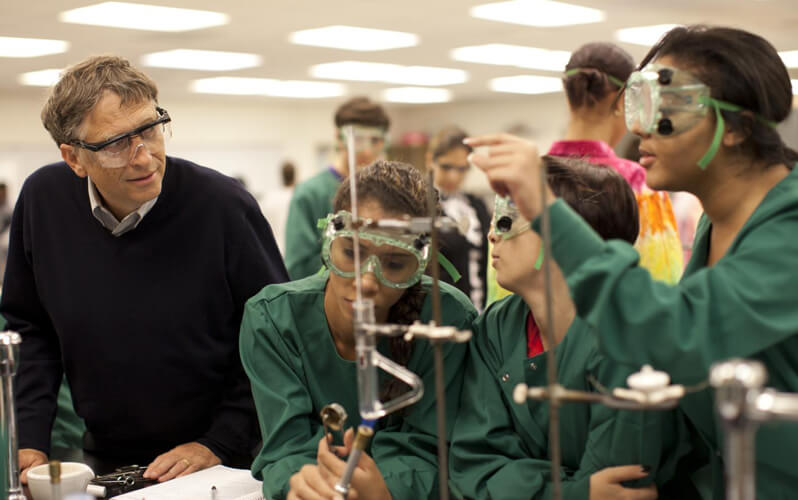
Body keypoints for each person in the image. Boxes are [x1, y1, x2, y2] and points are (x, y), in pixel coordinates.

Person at [467, 25, 798, 498]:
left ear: (738, 127)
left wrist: (543, 205)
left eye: (665, 107)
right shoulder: (717, 225)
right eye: (636, 103)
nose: (638, 126)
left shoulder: (789, 227)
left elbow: (676, 335)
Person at [0, 55, 288, 483]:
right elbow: (31, 327)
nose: (144, 157)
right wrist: (30, 436)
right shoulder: (44, 201)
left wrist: (220, 441)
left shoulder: (224, 208)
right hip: (107, 455)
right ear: (74, 158)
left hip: (220, 461)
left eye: (150, 129)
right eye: (116, 143)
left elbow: (278, 340)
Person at [451, 157, 691, 500]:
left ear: (564, 236)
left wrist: (526, 483)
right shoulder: (495, 327)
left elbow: (619, 486)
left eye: (507, 222)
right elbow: (473, 468)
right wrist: (574, 490)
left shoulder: (624, 337)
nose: (491, 234)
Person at [240, 160, 477, 500]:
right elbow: (285, 448)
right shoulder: (272, 318)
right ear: (329, 243)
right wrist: (302, 482)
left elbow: (433, 450)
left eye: (394, 264)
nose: (366, 282)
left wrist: (386, 489)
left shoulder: (446, 317)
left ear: (420, 265)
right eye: (351, 253)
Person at [550, 42, 683, 284]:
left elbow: (502, 293)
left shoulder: (525, 177)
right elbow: (663, 281)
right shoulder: (639, 183)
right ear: (623, 100)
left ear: (568, 95)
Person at [284, 97, 390, 280]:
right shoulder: (310, 194)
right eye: (358, 140)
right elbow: (298, 268)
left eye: (375, 140)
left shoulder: (389, 192)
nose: (367, 151)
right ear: (338, 138)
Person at [426, 126, 491, 312]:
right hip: (441, 311)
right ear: (430, 160)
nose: (454, 176)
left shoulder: (476, 205)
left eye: (462, 169)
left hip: (479, 309)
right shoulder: (419, 206)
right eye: (446, 167)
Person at [260, 160, 296, 256]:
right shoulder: (298, 196)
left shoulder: (270, 198)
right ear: (295, 176)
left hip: (275, 251)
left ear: (281, 176)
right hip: (294, 252)